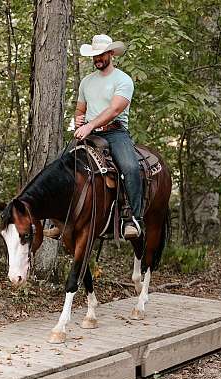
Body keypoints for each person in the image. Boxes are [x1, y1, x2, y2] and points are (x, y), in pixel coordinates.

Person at [73, 34, 144, 239]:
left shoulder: (123, 80)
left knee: (130, 167)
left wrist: (89, 125)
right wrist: (78, 120)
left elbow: (114, 110)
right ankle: (61, 218)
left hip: (115, 132)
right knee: (63, 165)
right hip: (90, 132)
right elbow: (80, 109)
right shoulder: (86, 82)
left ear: (111, 53)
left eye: (101, 55)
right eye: (95, 56)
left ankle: (133, 218)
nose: (98, 59)